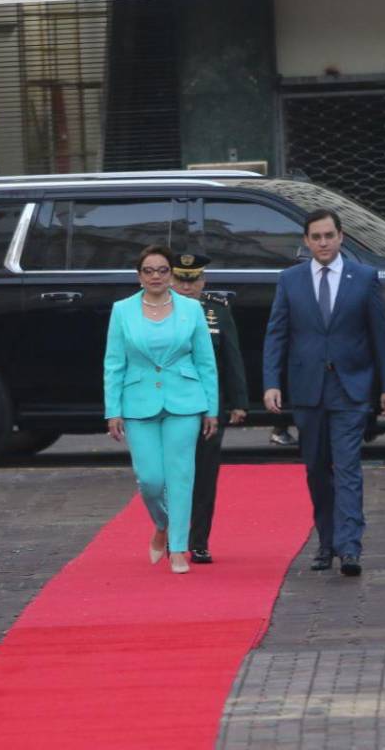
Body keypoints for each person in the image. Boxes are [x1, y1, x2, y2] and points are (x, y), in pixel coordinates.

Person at [262, 209, 385, 577]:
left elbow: (380, 336)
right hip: (308, 389)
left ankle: (350, 546)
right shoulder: (290, 280)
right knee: (317, 470)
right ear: (306, 242)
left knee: (348, 467)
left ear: (341, 237)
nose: (323, 243)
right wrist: (271, 382)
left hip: (351, 387)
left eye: (329, 235)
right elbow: (277, 334)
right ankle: (326, 542)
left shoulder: (364, 277)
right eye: (316, 237)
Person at [104, 245, 219, 575]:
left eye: (162, 270)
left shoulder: (190, 309)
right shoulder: (122, 310)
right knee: (151, 479)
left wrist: (211, 408)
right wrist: (112, 410)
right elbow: (113, 364)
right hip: (138, 402)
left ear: (171, 275)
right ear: (139, 276)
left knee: (181, 475)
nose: (156, 276)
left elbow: (205, 362)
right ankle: (162, 524)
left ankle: (179, 548)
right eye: (149, 271)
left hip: (185, 399)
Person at [169, 252, 248, 564]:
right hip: (171, 405)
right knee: (172, 475)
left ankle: (199, 540)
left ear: (203, 281)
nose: (187, 287)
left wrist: (239, 401)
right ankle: (174, 537)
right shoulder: (158, 312)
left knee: (204, 474)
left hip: (207, 407)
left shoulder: (216, 312)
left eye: (194, 280)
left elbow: (232, 357)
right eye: (181, 280)